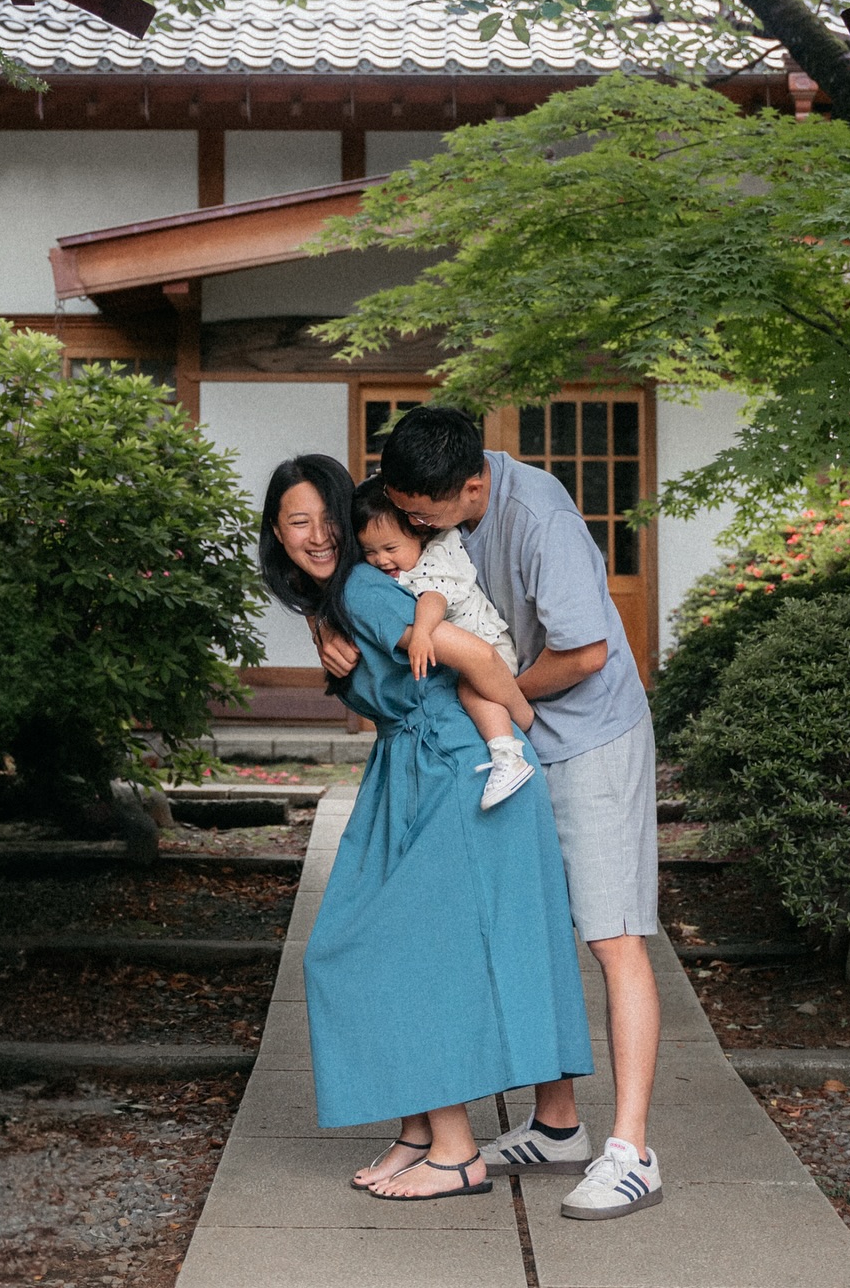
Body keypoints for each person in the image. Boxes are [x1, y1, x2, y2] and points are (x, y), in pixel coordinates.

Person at [318, 405, 664, 1222]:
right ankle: (556, 1128)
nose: (408, 522)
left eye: (421, 512)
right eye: (401, 506)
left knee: (612, 934)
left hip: (590, 733)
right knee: (531, 921)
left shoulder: (536, 511)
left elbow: (586, 653)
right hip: (516, 732)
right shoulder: (431, 504)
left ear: (471, 486)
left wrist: (496, 699)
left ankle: (633, 1151)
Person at [259, 453, 595, 1202]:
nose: (316, 535)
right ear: (277, 536)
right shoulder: (340, 600)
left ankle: (455, 1149)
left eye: (325, 518)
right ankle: (418, 1133)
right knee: (361, 944)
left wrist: (522, 724)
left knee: (400, 950)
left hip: (460, 769)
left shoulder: (361, 589)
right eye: (297, 522)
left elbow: (472, 653)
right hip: (412, 772)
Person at [352, 474, 535, 809]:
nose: (381, 560)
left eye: (390, 548)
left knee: (470, 690)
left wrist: (421, 633)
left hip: (488, 643)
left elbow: (433, 599)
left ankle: (508, 754)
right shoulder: (397, 568)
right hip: (474, 649)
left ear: (420, 532)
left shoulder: (437, 556)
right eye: (370, 552)